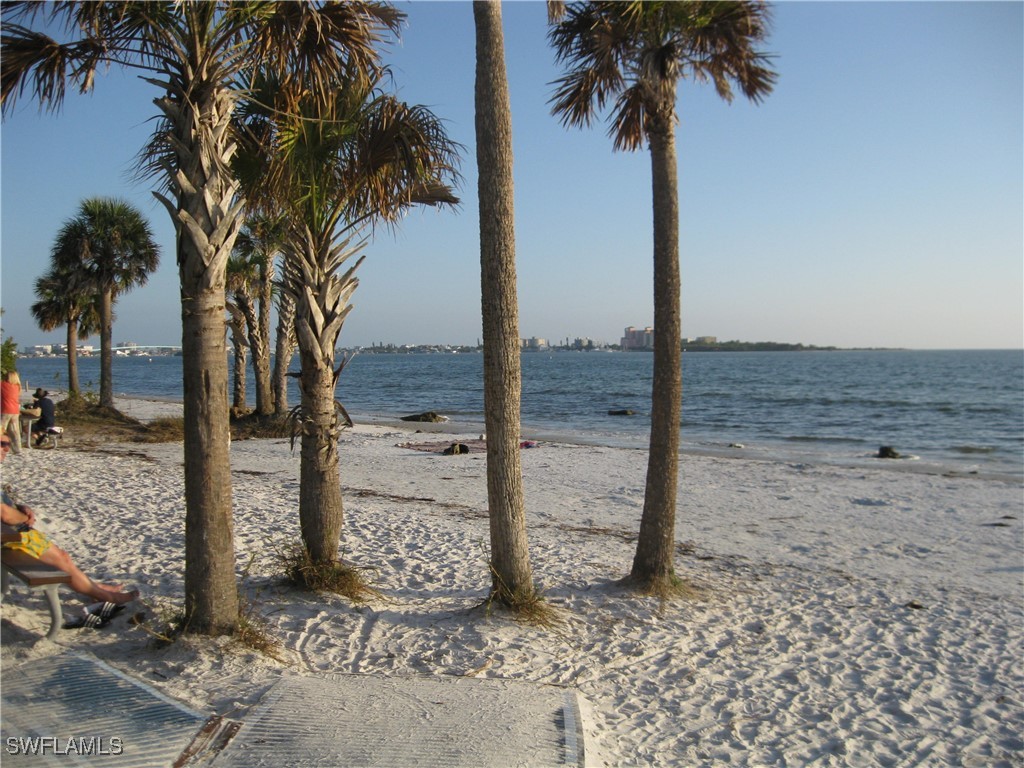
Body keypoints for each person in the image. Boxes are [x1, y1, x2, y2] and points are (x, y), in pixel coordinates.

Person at [1, 436, 139, 606]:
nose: (7, 448)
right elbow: (5, 515)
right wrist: (25, 517)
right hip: (10, 539)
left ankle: (95, 587)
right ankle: (107, 597)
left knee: (63, 557)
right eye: (2, 444)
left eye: (8, 443)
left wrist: (20, 507)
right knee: (62, 560)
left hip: (9, 534)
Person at [1, 371, 22, 454]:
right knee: (14, 431)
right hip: (15, 410)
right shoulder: (17, 387)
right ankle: (17, 449)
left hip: (5, 410)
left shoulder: (3, 385)